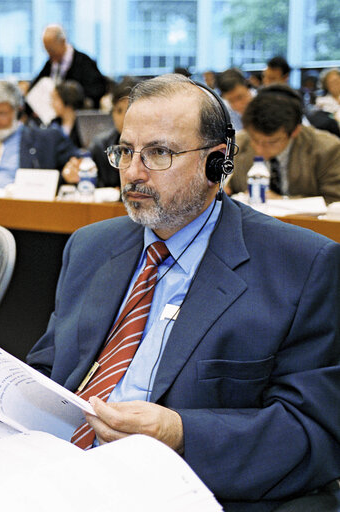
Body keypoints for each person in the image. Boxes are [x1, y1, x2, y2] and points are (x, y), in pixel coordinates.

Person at [27, 73, 340, 510]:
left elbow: (314, 437)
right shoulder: (90, 246)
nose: (133, 173)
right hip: (57, 477)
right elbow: (51, 368)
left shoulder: (302, 266)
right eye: (126, 151)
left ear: (217, 164)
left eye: (158, 153)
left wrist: (179, 433)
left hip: (180, 490)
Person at [228, 84, 340, 205]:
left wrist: (281, 202)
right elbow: (228, 189)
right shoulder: (237, 144)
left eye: (272, 142)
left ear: (295, 131)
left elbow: (334, 201)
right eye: (254, 139)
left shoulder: (326, 149)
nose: (259, 150)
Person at [0, 80, 80, 188]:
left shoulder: (45, 140)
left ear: (17, 111)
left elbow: (75, 166)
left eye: (2, 113)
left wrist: (70, 174)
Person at [31, 25, 107, 109]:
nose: (49, 54)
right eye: (47, 50)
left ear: (63, 41)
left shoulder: (84, 62)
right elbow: (35, 86)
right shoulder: (51, 63)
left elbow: (96, 91)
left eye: (51, 50)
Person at [87, 77, 137, 188]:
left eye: (129, 110)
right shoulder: (100, 145)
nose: (124, 118)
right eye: (118, 111)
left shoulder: (152, 148)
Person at [50, 80, 86, 149]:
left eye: (55, 99)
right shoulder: (54, 123)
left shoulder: (83, 125)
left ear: (67, 99)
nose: (52, 104)